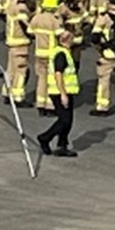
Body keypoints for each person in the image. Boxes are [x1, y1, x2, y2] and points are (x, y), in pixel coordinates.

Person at [36, 29, 79, 158]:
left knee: (68, 120)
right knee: (64, 120)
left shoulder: (63, 52)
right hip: (59, 92)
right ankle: (45, 137)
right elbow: (58, 74)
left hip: (64, 91)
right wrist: (63, 94)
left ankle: (62, 145)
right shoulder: (61, 54)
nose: (73, 41)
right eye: (72, 39)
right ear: (67, 40)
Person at [28, 0, 63, 114]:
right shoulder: (54, 20)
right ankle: (50, 105)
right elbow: (61, 34)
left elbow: (30, 32)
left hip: (39, 53)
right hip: (51, 53)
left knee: (41, 79)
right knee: (51, 81)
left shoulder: (37, 18)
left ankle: (40, 104)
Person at [4, 0, 34, 106]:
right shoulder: (21, 8)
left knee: (11, 70)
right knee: (21, 71)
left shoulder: (11, 3)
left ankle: (7, 92)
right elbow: (25, 24)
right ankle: (18, 97)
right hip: (20, 42)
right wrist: (33, 33)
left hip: (11, 41)